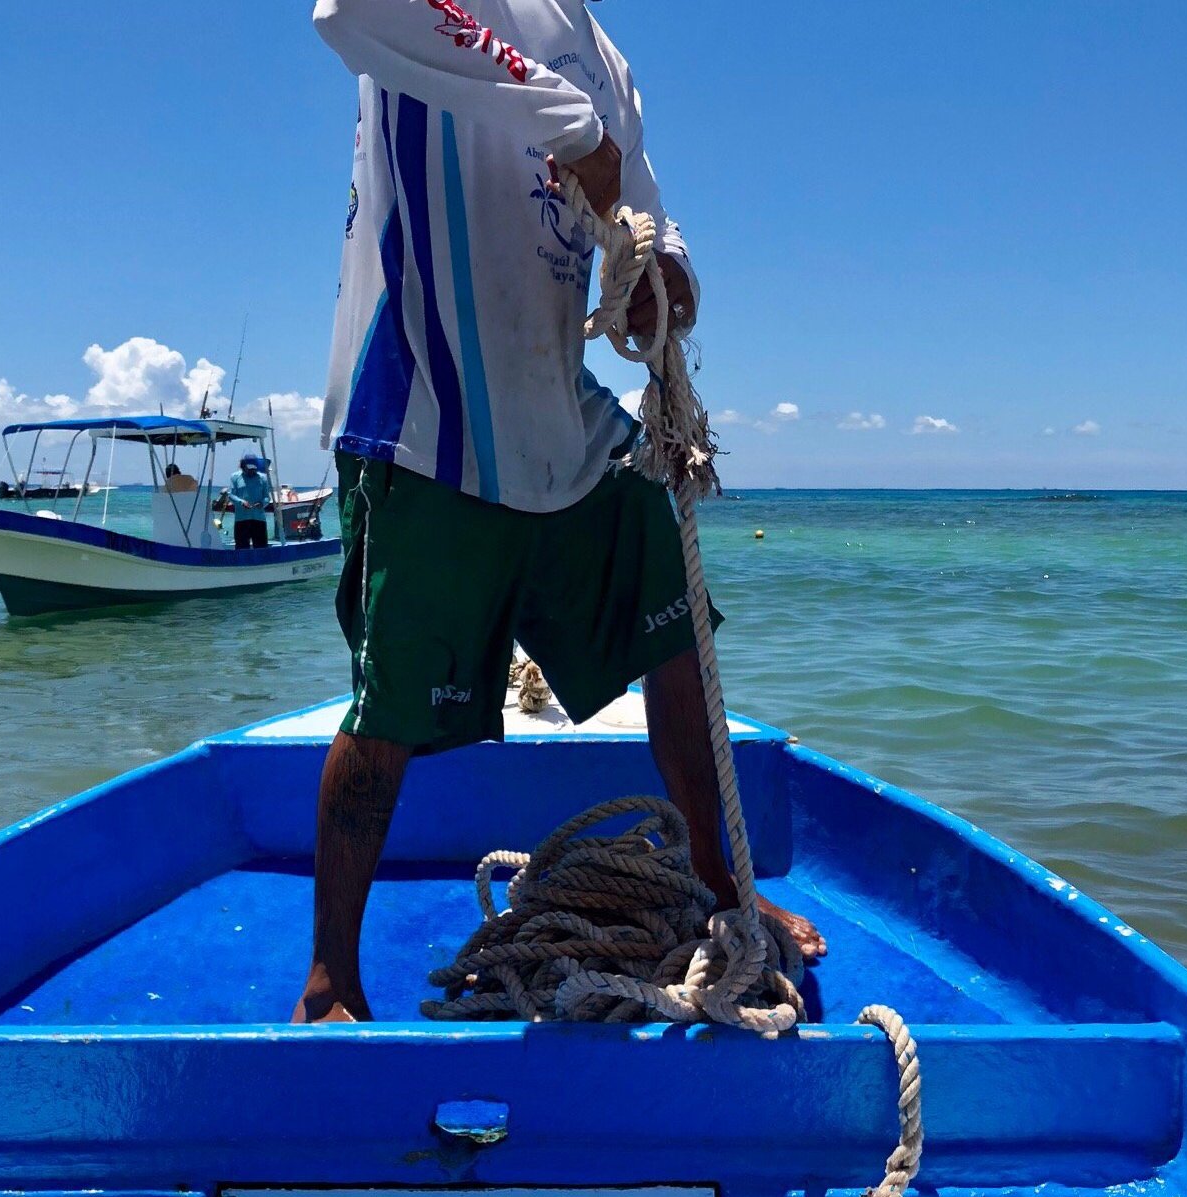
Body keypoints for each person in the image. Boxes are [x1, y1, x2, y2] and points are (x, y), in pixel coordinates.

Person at [301, 0, 821, 1022]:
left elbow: (645, 210)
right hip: (428, 410)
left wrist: (664, 274)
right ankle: (331, 971)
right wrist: (571, 132)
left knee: (673, 606)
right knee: (386, 708)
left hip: (556, 416)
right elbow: (343, 12)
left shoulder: (605, 57)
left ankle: (720, 879)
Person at [230, 456, 273, 548]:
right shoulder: (235, 477)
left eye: (253, 469)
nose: (251, 471)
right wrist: (241, 502)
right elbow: (231, 495)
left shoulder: (263, 478)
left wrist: (262, 503)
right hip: (241, 519)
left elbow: (266, 497)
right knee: (241, 548)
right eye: (249, 469)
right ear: (243, 467)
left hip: (258, 518)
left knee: (261, 548)